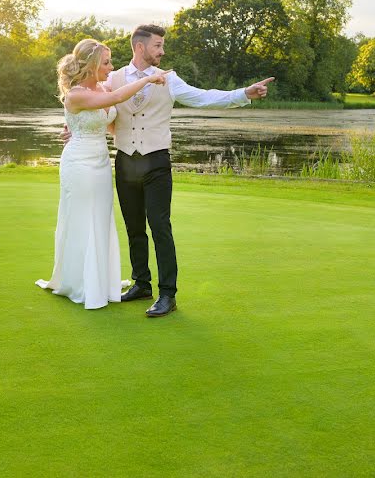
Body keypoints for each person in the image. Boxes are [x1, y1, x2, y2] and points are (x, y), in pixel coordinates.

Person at [62, 24, 274, 317]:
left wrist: (244, 94)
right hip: (125, 161)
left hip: (156, 161)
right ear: (140, 47)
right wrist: (71, 127)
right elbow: (93, 101)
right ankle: (141, 284)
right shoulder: (114, 77)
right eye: (158, 45)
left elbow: (205, 97)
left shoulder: (170, 80)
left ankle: (167, 294)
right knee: (134, 227)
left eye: (162, 46)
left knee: (160, 227)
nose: (162, 51)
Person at [36, 38, 169, 309]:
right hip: (79, 163)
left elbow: (111, 121)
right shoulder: (76, 94)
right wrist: (147, 80)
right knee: (83, 218)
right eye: (106, 62)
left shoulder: (100, 86)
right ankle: (81, 282)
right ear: (93, 65)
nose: (111, 67)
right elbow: (116, 98)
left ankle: (101, 278)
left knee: (101, 217)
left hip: (99, 162)